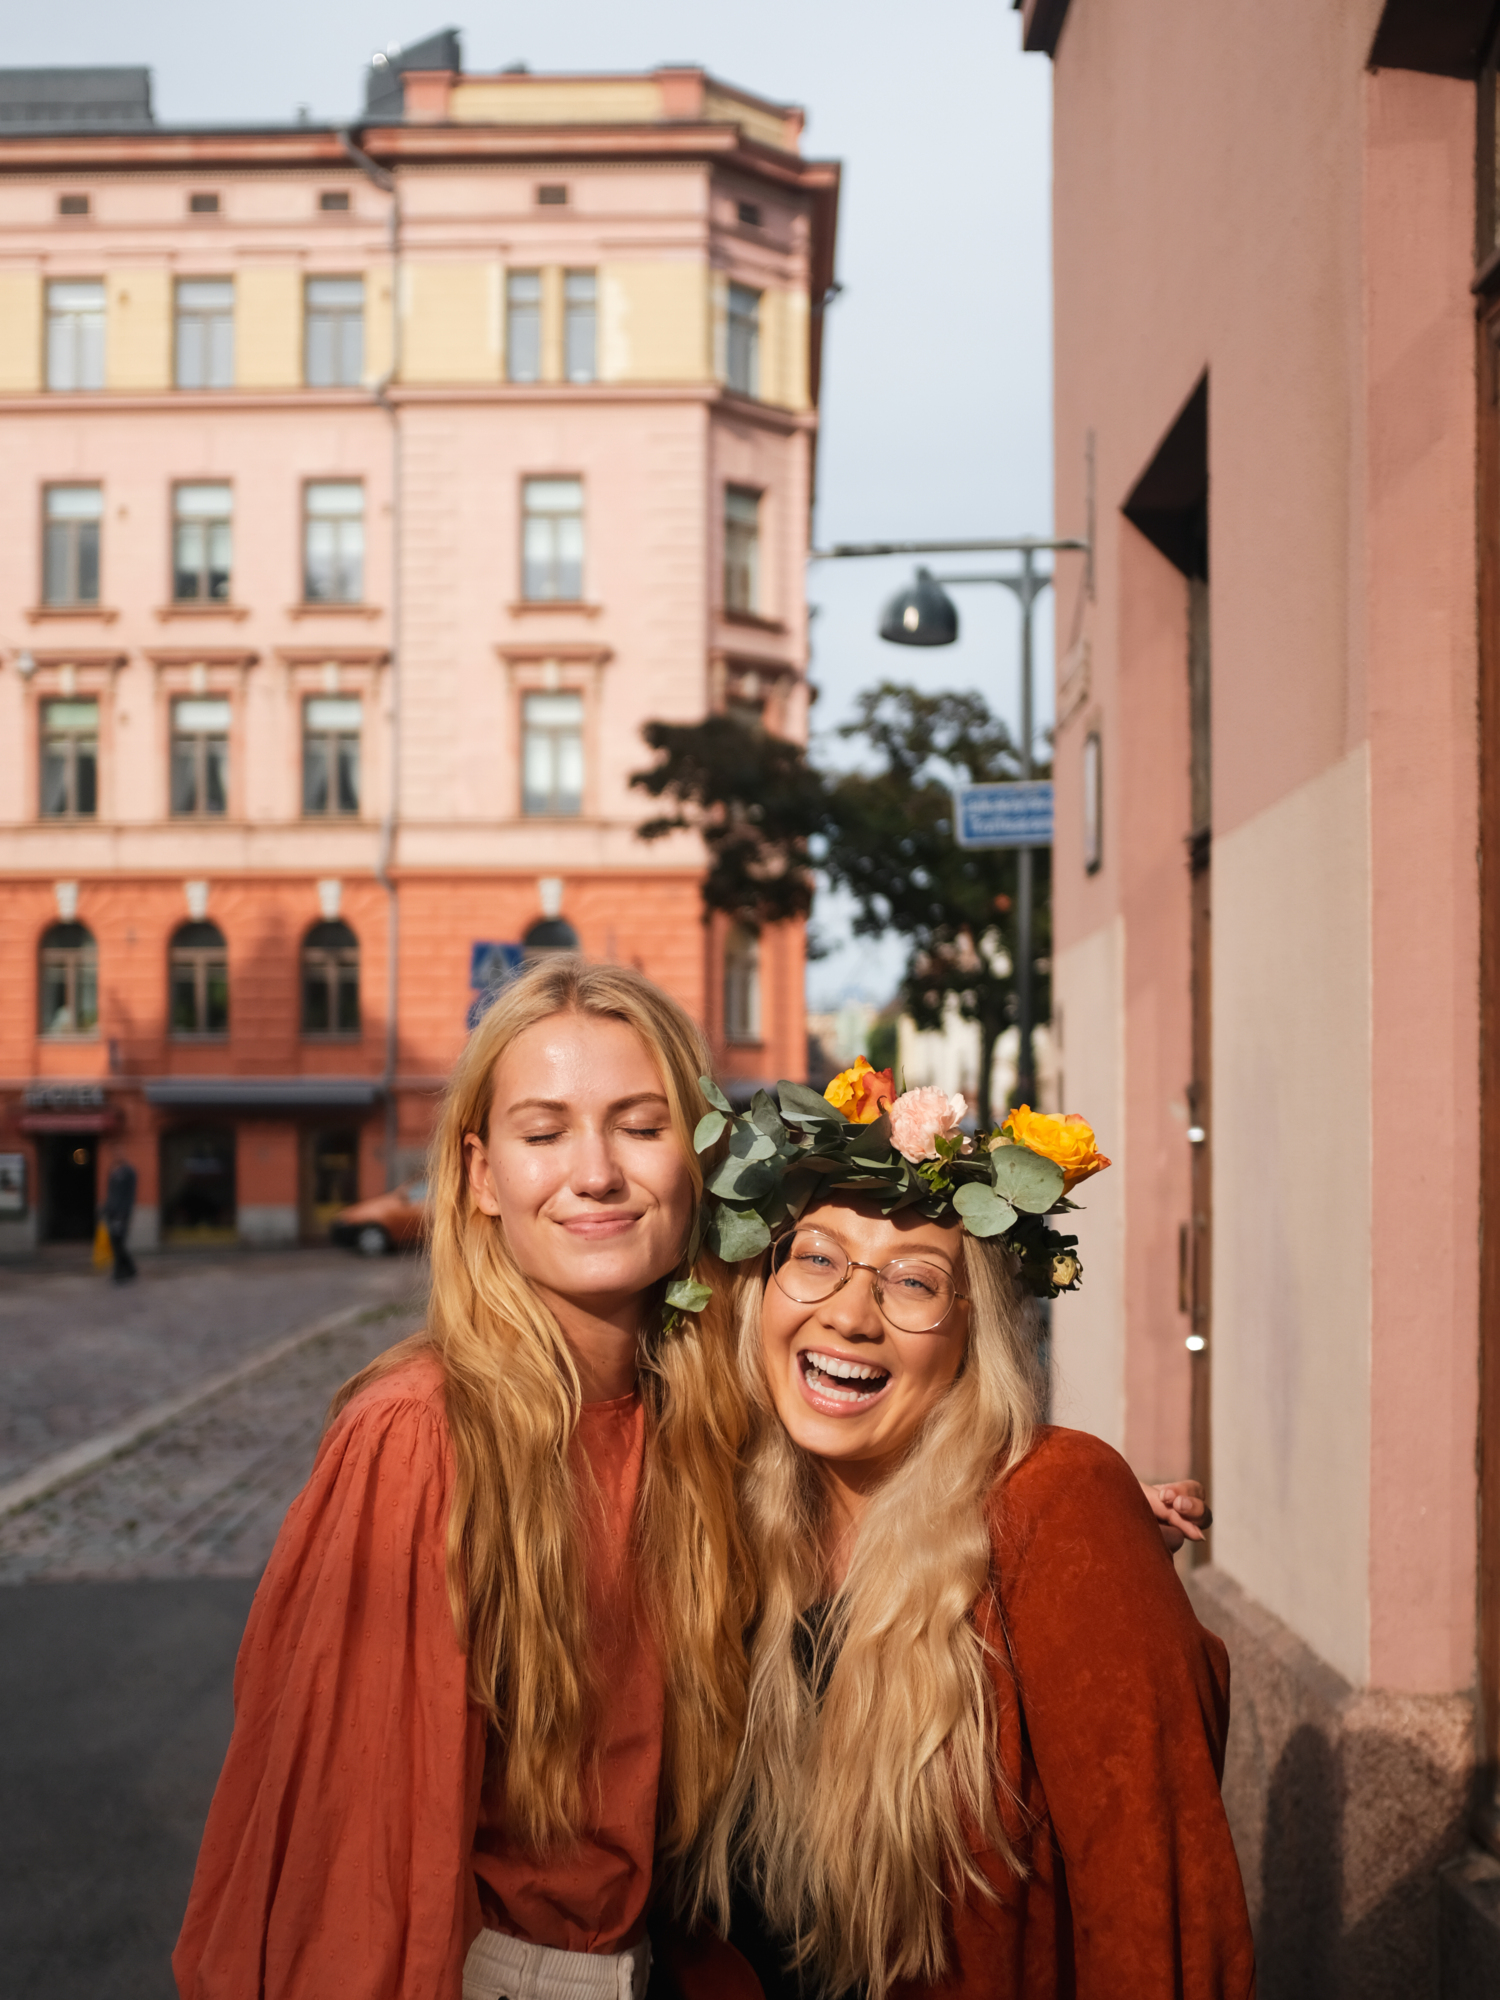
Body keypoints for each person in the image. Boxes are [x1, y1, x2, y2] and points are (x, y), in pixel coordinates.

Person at [173, 959, 754, 2000]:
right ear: (482, 1174)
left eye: (640, 1123)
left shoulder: (704, 1419)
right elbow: (344, 1868)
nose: (597, 1171)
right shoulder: (417, 1436)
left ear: (702, 1153)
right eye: (545, 1132)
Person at [675, 1067, 1253, 2000]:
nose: (851, 1316)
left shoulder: (1057, 1506)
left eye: (913, 1283)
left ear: (969, 1334)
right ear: (759, 1290)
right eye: (816, 1258)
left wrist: (1081, 1525)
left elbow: (1162, 1910)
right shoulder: (723, 1517)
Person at [101, 1151, 138, 1283]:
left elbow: (129, 1195)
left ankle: (120, 1272)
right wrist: (105, 1209)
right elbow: (111, 1193)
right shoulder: (113, 1172)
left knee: (119, 1242)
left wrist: (124, 1212)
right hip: (112, 1213)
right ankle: (130, 1269)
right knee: (115, 1243)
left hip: (121, 1214)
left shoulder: (128, 1172)